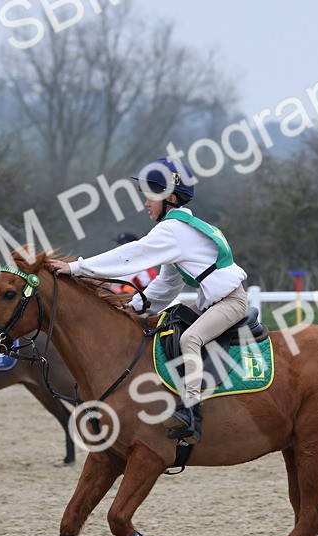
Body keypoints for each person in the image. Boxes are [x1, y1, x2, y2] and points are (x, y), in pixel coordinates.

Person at [48, 158, 248, 444]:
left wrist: (76, 268)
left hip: (230, 303)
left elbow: (133, 254)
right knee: (167, 325)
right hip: (215, 302)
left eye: (151, 195)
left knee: (190, 339)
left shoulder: (173, 230)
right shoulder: (180, 230)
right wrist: (134, 307)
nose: (145, 202)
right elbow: (167, 284)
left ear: (170, 198)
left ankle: (191, 411)